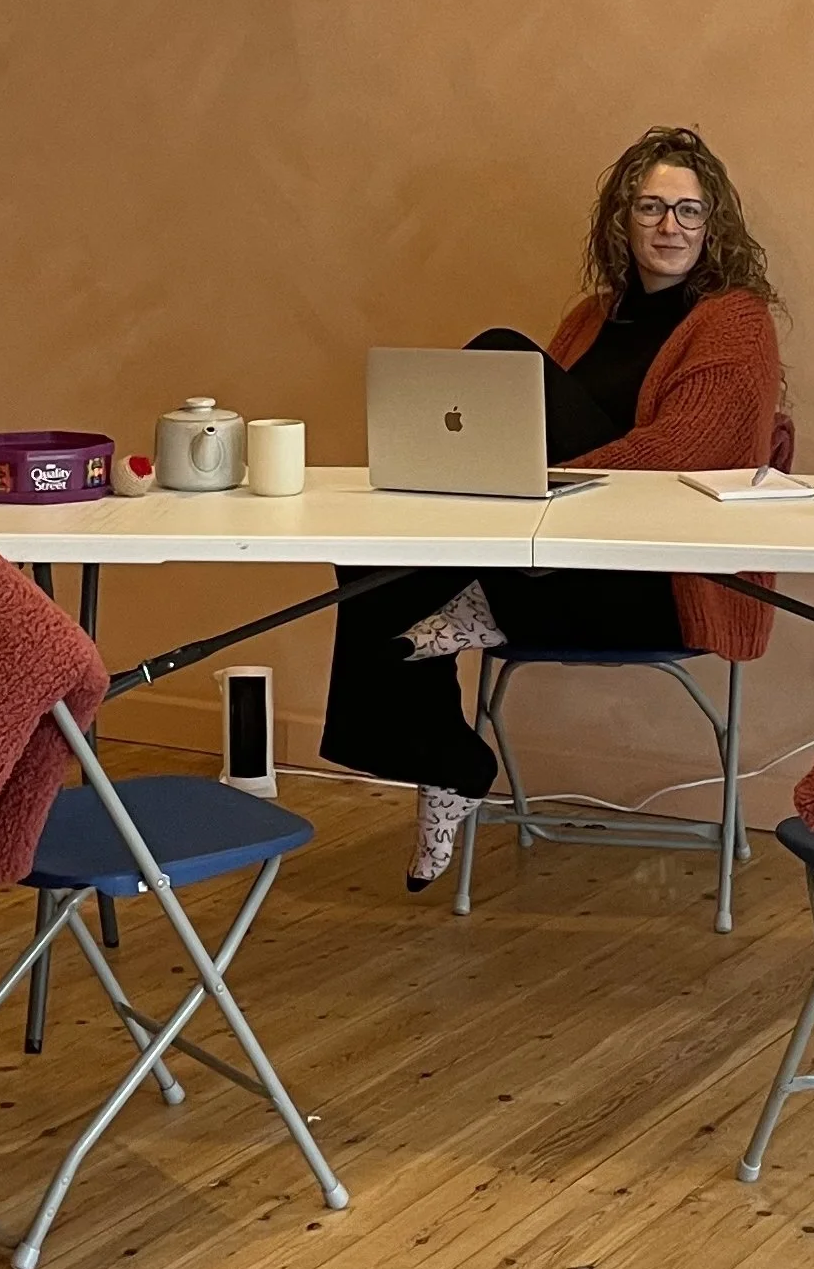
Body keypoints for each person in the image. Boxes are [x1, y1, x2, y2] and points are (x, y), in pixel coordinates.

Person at [320, 125, 784, 890]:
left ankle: (447, 752)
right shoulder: (590, 317)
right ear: (621, 220)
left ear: (713, 225)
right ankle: (443, 752)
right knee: (373, 550)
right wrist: (508, 477)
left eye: (688, 210)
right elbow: (518, 432)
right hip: (559, 547)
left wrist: (536, 477)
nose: (669, 225)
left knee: (499, 350)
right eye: (650, 206)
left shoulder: (732, 318)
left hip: (661, 578)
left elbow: (683, 453)